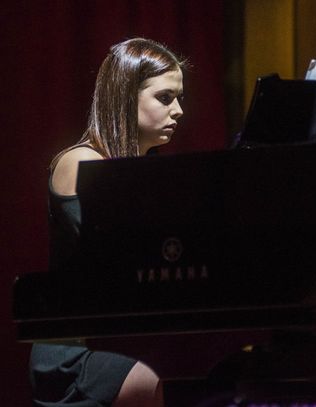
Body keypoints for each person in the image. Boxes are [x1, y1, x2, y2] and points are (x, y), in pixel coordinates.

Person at [30, 37, 187, 407]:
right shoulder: (81, 161)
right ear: (126, 96)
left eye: (179, 98)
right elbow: (119, 259)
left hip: (123, 337)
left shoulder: (147, 172)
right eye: (165, 97)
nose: (179, 110)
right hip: (76, 350)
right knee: (154, 377)